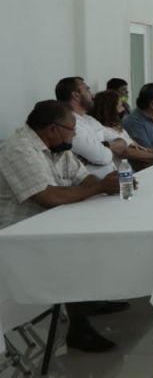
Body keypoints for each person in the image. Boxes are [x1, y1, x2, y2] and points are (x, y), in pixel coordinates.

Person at [0, 101, 126, 352]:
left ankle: (92, 299)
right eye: (72, 129)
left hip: (51, 224)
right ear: (53, 129)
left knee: (98, 235)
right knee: (73, 251)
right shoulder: (17, 150)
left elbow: (84, 178)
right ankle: (79, 330)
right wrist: (101, 187)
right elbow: (49, 196)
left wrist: (102, 184)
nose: (74, 135)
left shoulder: (58, 146)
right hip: (18, 236)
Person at [55, 77, 119, 178]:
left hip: (110, 180)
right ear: (76, 95)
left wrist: (104, 146)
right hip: (93, 184)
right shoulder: (69, 124)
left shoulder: (89, 119)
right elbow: (103, 158)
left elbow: (120, 139)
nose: (92, 95)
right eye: (87, 89)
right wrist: (110, 147)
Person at [90, 90, 153, 170]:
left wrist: (152, 151)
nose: (123, 109)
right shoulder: (104, 131)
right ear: (109, 110)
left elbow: (135, 146)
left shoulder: (118, 128)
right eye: (120, 106)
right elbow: (127, 152)